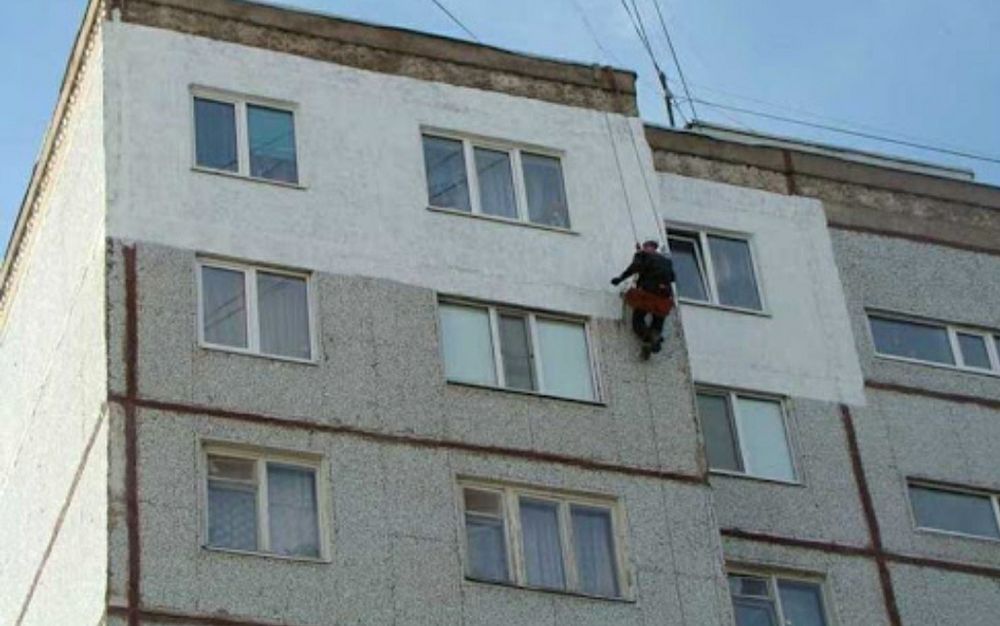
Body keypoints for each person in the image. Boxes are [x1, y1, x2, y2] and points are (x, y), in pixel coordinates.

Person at [611, 240, 676, 356]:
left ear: (647, 247)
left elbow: (634, 267)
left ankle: (649, 338)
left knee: (638, 320)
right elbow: (672, 277)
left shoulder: (642, 255)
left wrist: (620, 279)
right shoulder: (666, 261)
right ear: (655, 248)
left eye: (645, 247)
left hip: (648, 292)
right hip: (664, 296)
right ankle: (652, 340)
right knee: (658, 321)